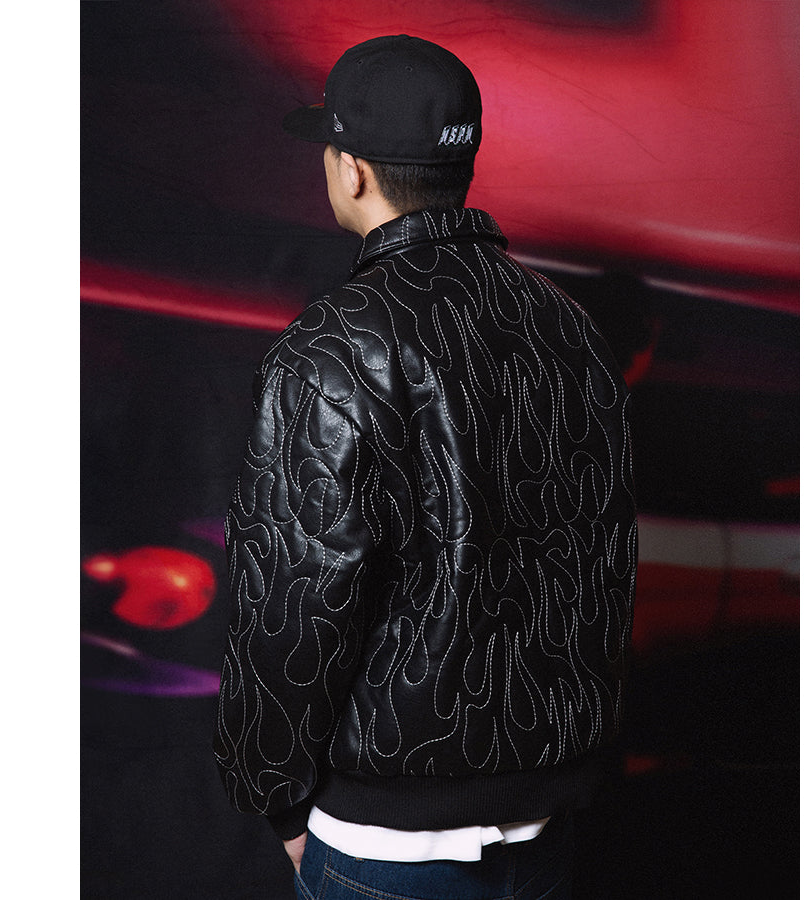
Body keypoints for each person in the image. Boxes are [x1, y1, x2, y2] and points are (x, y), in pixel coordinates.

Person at [214, 34, 637, 899]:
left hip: (388, 843)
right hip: (553, 822)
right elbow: (603, 561)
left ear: (351, 171)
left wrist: (277, 801)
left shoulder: (332, 349)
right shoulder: (570, 327)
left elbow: (294, 601)